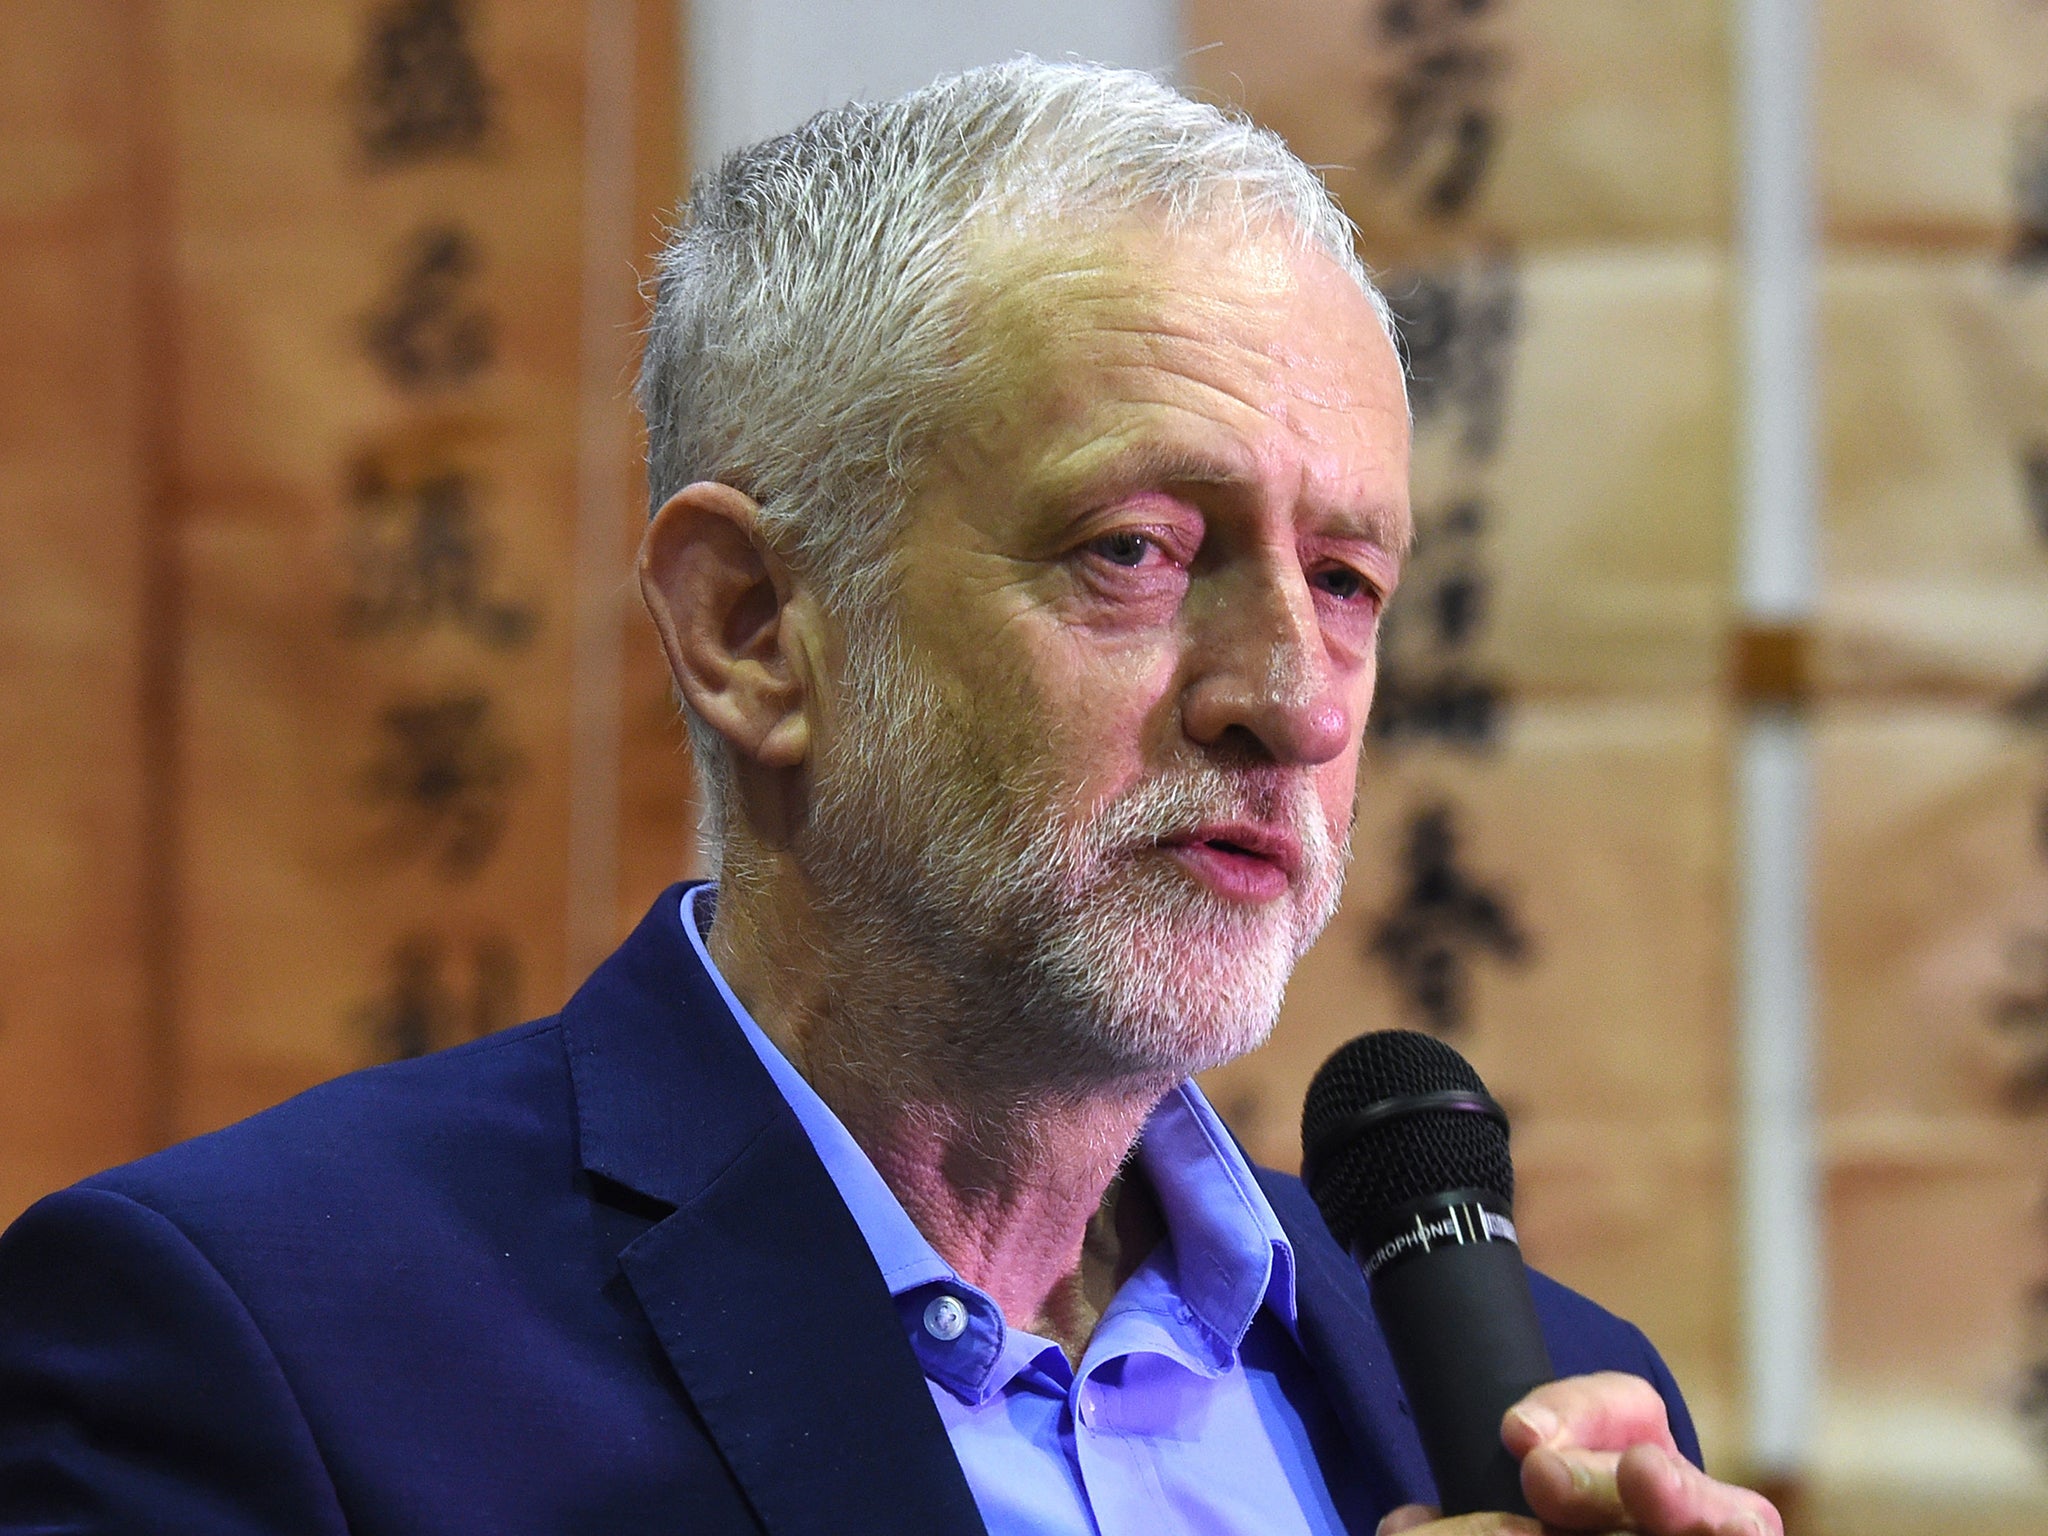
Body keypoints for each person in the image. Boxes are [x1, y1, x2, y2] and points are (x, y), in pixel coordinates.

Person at [0, 59, 1779, 1536]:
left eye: (1345, 583)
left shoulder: (1543, 1402)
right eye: (1139, 551)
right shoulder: (265, 1347)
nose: (1294, 706)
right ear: (755, 627)